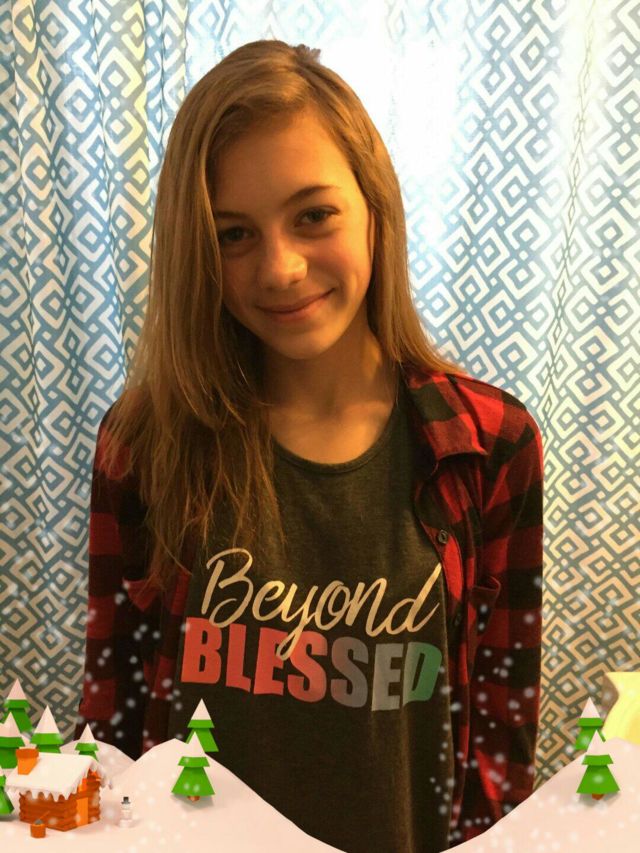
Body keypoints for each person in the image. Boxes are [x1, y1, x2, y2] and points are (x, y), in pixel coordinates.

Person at [75, 39, 544, 853]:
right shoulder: (144, 443)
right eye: (232, 234)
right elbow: (110, 716)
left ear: (375, 206)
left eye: (313, 215)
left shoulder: (490, 444)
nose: (281, 268)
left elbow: (502, 735)